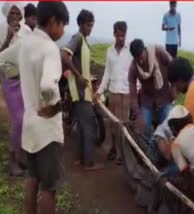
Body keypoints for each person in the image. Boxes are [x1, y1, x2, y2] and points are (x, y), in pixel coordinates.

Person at [0, 2, 69, 213]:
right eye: (62, 25)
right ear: (52, 22)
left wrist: (17, 75)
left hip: (29, 127)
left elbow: (2, 60)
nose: (63, 31)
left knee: (32, 179)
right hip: (47, 133)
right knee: (49, 189)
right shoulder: (50, 48)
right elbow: (49, 85)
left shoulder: (25, 43)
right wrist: (56, 106)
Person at [61, 9, 104, 170]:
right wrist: (78, 75)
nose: (90, 28)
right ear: (80, 24)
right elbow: (64, 55)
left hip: (81, 90)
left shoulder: (84, 41)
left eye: (92, 25)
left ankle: (80, 158)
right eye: (87, 25)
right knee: (90, 126)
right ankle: (89, 163)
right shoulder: (78, 38)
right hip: (80, 91)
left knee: (82, 125)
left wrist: (83, 75)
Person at [94, 21, 132, 165]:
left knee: (123, 125)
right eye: (119, 35)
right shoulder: (109, 51)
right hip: (113, 92)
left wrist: (137, 91)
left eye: (124, 35)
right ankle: (114, 149)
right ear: (114, 34)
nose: (121, 38)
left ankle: (123, 154)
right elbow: (107, 73)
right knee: (112, 124)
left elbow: (134, 73)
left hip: (126, 93)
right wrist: (99, 91)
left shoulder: (130, 51)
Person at [129, 39, 174, 137]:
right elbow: (132, 92)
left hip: (165, 99)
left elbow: (174, 67)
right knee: (142, 130)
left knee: (170, 129)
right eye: (137, 59)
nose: (140, 61)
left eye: (141, 57)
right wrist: (137, 113)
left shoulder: (159, 52)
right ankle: (150, 150)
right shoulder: (133, 67)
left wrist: (174, 90)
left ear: (144, 50)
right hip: (147, 102)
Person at [0, 2, 25, 177]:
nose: (15, 16)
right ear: (6, 14)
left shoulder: (24, 33)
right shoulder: (2, 31)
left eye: (18, 13)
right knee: (17, 120)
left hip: (24, 80)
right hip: (9, 81)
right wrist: (8, 39)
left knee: (25, 121)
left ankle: (20, 156)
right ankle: (12, 161)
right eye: (12, 13)